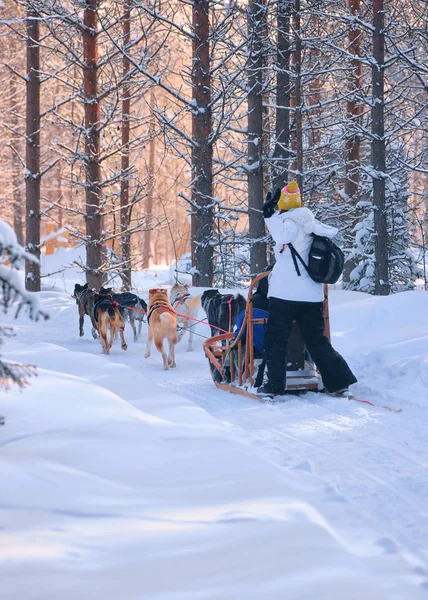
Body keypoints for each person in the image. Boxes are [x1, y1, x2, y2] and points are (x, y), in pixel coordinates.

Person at [258, 180, 357, 399]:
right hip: (312, 296)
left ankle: (274, 386)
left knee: (276, 339)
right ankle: (339, 382)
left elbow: (281, 236)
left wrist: (268, 213)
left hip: (284, 295)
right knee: (316, 340)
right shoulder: (312, 223)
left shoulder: (290, 222)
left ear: (283, 205)